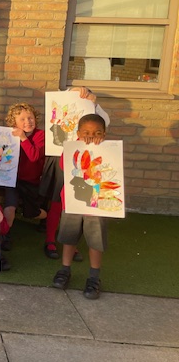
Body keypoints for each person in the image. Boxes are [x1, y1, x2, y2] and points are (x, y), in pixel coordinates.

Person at [41, 87, 110, 260]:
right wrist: (71, 91)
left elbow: (105, 122)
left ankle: (72, 246)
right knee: (59, 201)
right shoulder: (63, 100)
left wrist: (94, 101)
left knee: (77, 204)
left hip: (86, 160)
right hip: (61, 157)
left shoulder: (93, 107)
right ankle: (50, 239)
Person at [52, 113, 110, 300]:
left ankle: (94, 277)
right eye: (86, 132)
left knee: (95, 240)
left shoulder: (108, 149)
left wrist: (101, 148)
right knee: (69, 238)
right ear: (78, 133)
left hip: (96, 204)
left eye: (97, 132)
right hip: (72, 202)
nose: (91, 136)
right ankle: (65, 269)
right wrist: (79, 145)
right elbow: (63, 165)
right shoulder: (72, 148)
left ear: (104, 133)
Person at [3, 103, 47, 232]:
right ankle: (4, 235)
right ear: (14, 123)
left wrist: (23, 138)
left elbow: (34, 156)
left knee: (31, 213)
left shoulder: (41, 135)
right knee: (9, 208)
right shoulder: (9, 135)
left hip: (31, 182)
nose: (27, 121)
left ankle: (47, 217)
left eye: (30, 118)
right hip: (13, 180)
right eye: (22, 119)